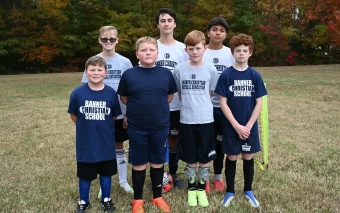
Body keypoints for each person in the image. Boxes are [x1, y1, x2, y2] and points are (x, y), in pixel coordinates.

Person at [117, 36, 177, 213]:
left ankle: (157, 197)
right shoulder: (129, 74)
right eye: (143, 50)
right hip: (137, 126)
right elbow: (125, 98)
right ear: (137, 54)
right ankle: (137, 200)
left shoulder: (165, 73)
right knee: (139, 162)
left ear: (157, 53)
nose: (148, 53)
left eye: (151, 50)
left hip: (159, 125)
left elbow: (169, 96)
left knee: (157, 161)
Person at [214, 34, 268, 208]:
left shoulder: (255, 75)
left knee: (248, 156)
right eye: (238, 50)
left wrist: (249, 126)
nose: (242, 53)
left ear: (250, 53)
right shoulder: (226, 75)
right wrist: (236, 126)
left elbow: (259, 102)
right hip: (232, 126)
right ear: (233, 52)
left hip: (249, 126)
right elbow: (223, 102)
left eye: (245, 50)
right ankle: (230, 191)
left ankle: (248, 190)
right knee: (231, 156)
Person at [81, 26, 133, 195]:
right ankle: (105, 181)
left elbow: (131, 89)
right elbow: (85, 88)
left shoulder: (125, 62)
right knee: (103, 146)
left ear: (117, 40)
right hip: (98, 113)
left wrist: (128, 113)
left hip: (120, 113)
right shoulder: (93, 60)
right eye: (105, 39)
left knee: (119, 145)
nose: (108, 42)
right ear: (99, 40)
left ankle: (123, 181)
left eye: (112, 39)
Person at [68, 56, 122, 212]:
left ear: (106, 73)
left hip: (106, 142)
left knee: (106, 173)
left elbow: (113, 116)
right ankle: (83, 201)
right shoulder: (78, 93)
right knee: (85, 175)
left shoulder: (111, 93)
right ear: (86, 72)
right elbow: (74, 116)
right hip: (86, 143)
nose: (96, 73)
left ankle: (106, 199)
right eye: (92, 69)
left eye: (100, 70)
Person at [173, 30, 219, 207]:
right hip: (186, 119)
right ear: (186, 50)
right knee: (191, 156)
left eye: (198, 48)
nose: (194, 52)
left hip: (206, 118)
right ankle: (192, 188)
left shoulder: (211, 69)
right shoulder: (179, 70)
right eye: (191, 48)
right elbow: (180, 93)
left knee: (205, 156)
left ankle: (202, 187)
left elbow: (210, 92)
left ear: (205, 48)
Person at [154, 8, 189, 189]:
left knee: (174, 139)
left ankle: (174, 174)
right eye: (162, 20)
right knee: (158, 140)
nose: (166, 23)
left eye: (169, 20)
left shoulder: (182, 48)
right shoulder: (151, 45)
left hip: (176, 104)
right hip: (155, 105)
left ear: (174, 24)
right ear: (158, 24)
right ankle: (157, 176)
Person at [203, 16, 235, 193]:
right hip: (204, 106)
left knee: (220, 143)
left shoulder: (230, 53)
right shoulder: (202, 51)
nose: (218, 33)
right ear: (208, 32)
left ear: (225, 35)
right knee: (206, 142)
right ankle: (205, 178)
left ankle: (218, 177)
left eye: (222, 30)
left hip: (225, 107)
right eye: (214, 29)